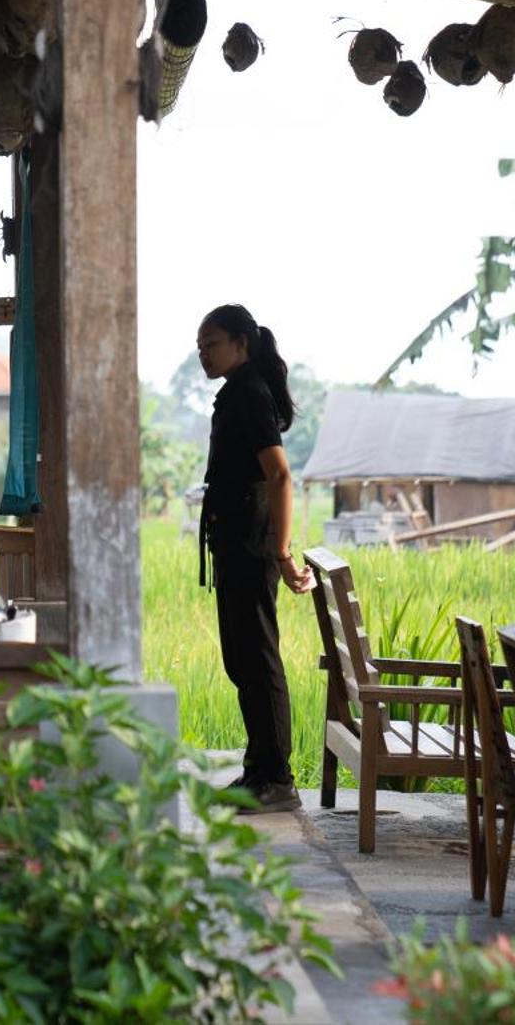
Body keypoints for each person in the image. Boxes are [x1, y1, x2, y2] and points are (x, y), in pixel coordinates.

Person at [195, 304, 313, 814]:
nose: (205, 354)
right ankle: (258, 769)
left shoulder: (249, 394)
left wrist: (283, 552)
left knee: (258, 659)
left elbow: (281, 476)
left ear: (242, 343)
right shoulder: (237, 393)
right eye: (200, 348)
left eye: (213, 344)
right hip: (236, 544)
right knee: (241, 659)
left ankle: (277, 779)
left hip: (251, 545)